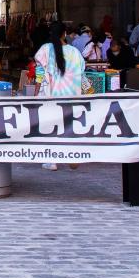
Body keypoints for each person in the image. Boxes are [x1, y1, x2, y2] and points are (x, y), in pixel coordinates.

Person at [34, 20, 86, 170]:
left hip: (52, 96)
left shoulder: (45, 50)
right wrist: (89, 92)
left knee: (51, 128)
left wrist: (36, 92)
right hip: (72, 96)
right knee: (70, 127)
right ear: (65, 34)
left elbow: (39, 74)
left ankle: (52, 160)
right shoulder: (75, 52)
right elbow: (82, 74)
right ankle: (72, 154)